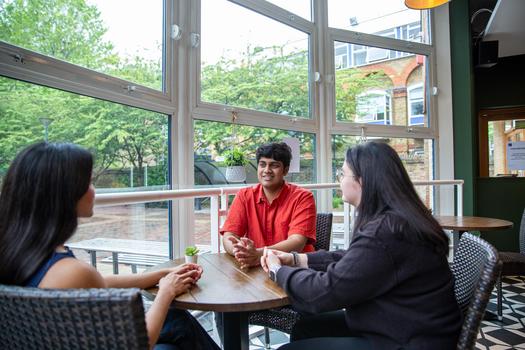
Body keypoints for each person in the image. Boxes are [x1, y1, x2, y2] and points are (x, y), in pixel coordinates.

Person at [0, 142, 219, 350]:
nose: (94, 190)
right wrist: (165, 292)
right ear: (65, 193)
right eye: (89, 182)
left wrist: (162, 274)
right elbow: (138, 345)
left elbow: (98, 283)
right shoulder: (71, 272)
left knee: (173, 321)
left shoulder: (20, 253)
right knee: (178, 322)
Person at [261, 141, 462, 350]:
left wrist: (278, 270)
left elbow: (324, 293)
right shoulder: (396, 221)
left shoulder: (386, 232)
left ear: (363, 181)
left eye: (343, 173)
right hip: (403, 324)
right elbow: (353, 259)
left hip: (409, 340)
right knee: (306, 327)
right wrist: (298, 259)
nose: (339, 179)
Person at [221, 142, 317, 269]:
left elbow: (297, 243)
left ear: (286, 170)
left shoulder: (303, 197)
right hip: (257, 268)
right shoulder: (244, 196)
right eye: (262, 165)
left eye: (274, 165)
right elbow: (229, 236)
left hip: (295, 268)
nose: (267, 170)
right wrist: (240, 252)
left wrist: (258, 254)